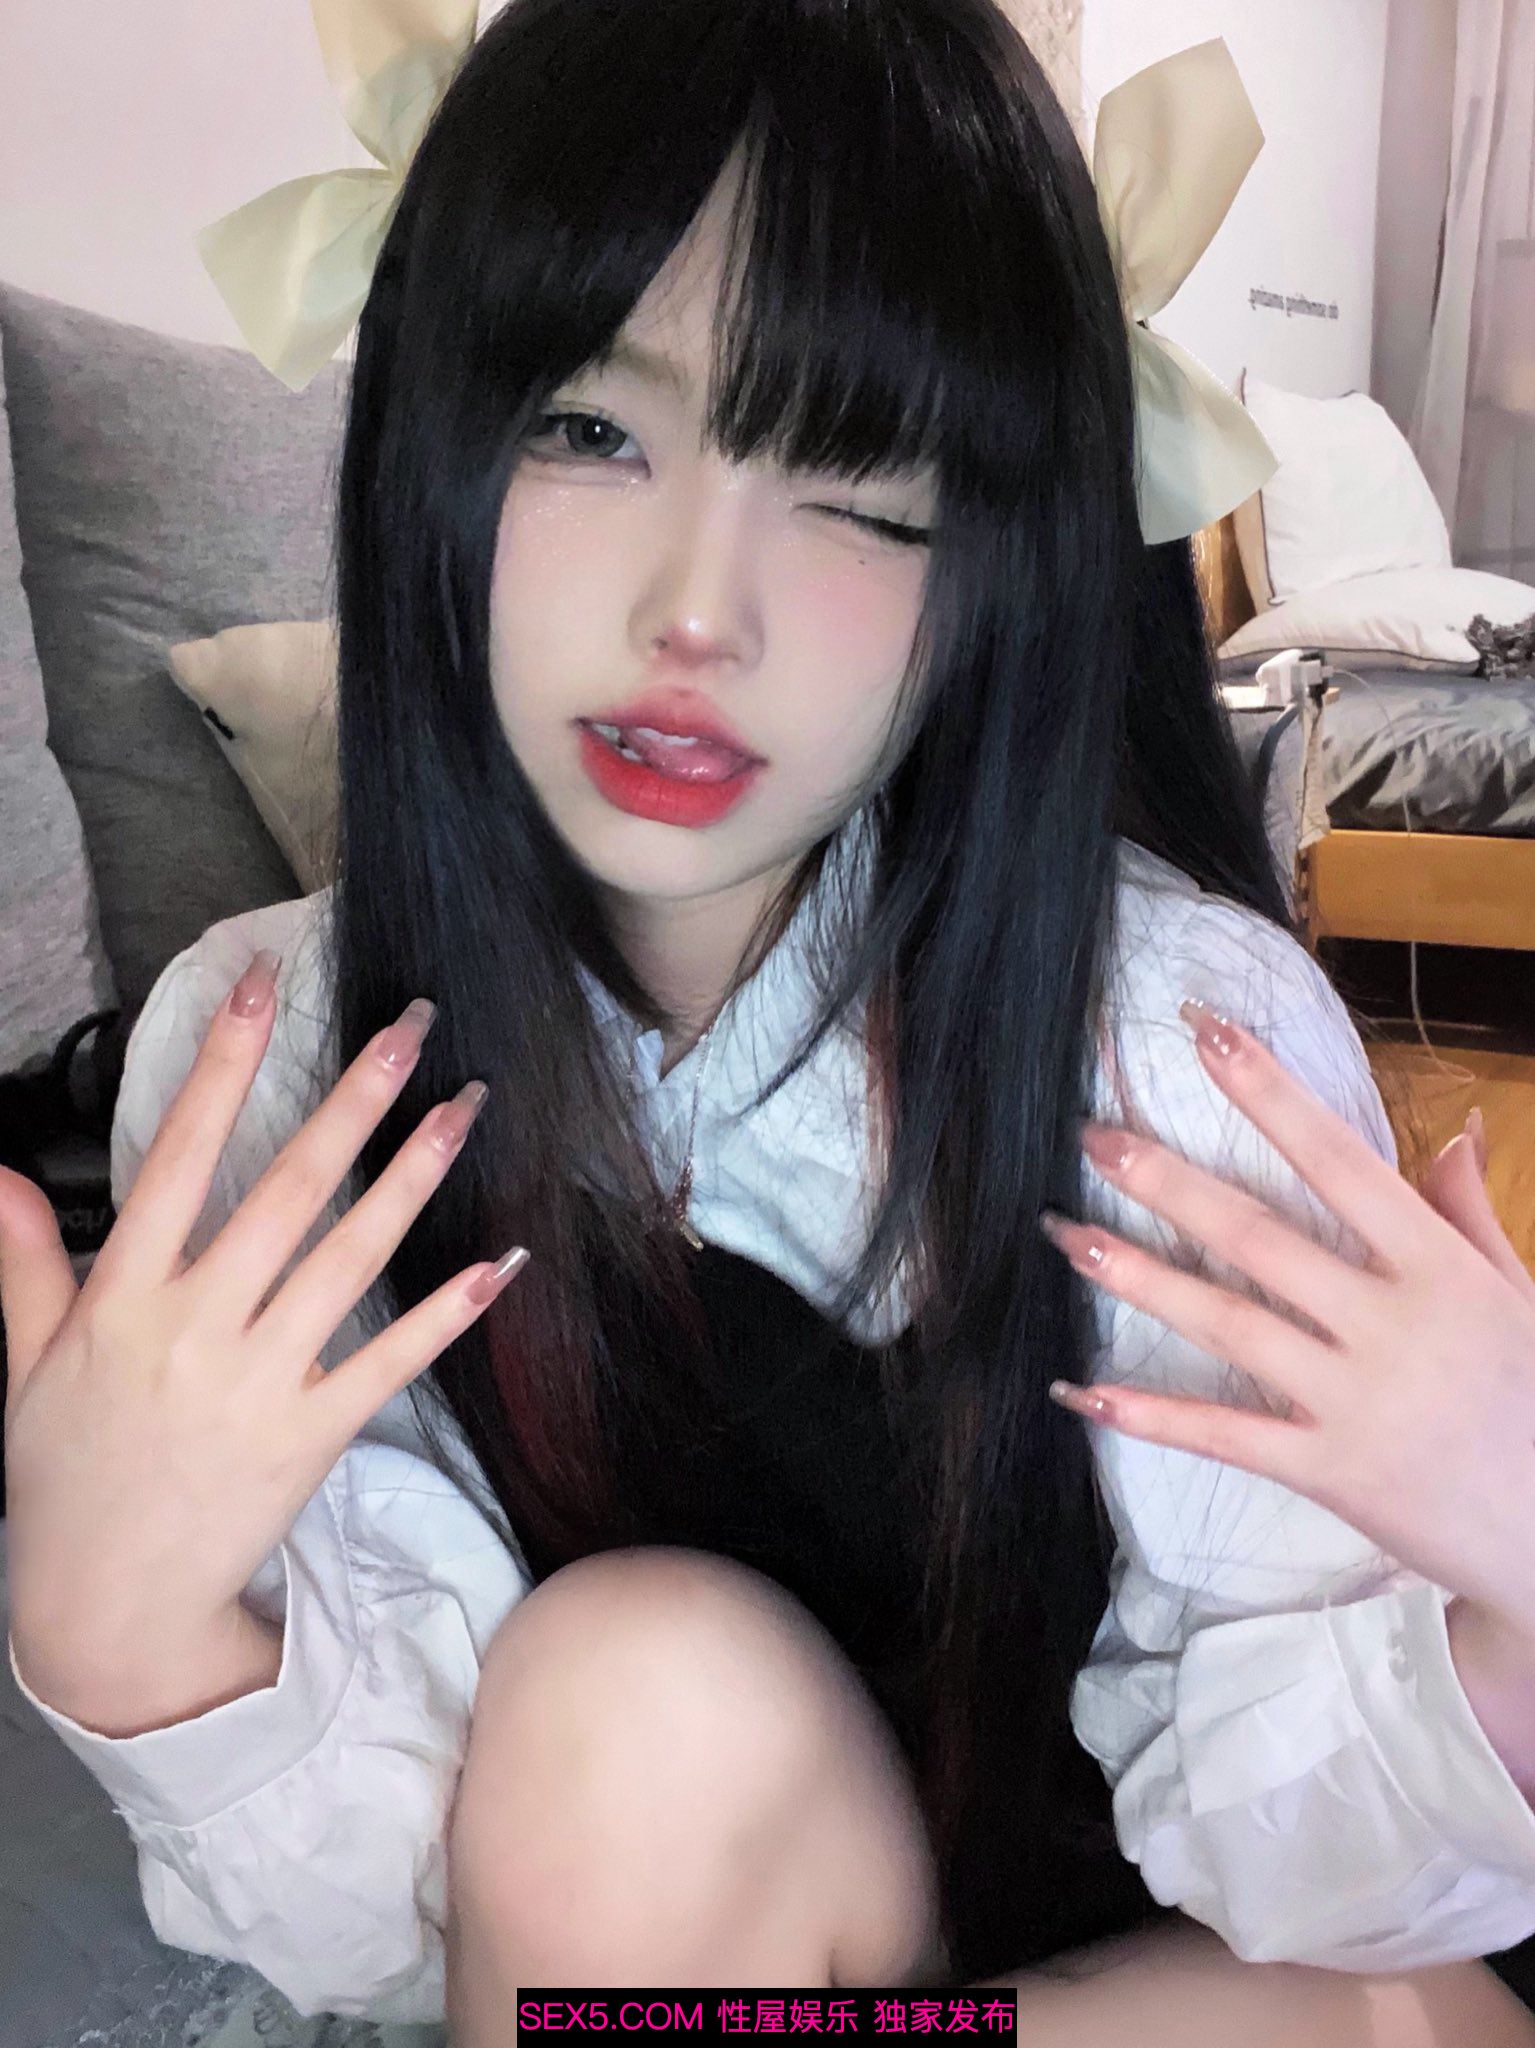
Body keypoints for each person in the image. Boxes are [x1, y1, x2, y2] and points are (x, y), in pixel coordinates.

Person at [4, 0, 1535, 2037]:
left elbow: (1323, 1888)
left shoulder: (1170, 1042)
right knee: (625, 1702)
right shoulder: (280, 1062)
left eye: (861, 491)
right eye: (589, 429)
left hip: (1220, 1980)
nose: (695, 611)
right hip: (739, 1931)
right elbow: (445, 1932)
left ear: (995, 570)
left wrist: (1518, 1574)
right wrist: (115, 1630)